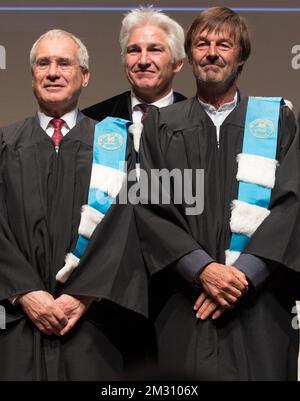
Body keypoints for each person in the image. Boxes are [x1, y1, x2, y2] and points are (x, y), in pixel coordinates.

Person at [133, 7, 300, 380]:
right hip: (185, 300)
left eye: (224, 44)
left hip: (261, 301)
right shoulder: (162, 125)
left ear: (240, 56)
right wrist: (202, 270)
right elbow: (151, 209)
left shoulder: (274, 121)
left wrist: (243, 276)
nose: (212, 52)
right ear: (189, 56)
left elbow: (292, 204)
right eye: (202, 44)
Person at [0, 29, 145, 380]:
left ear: (84, 76)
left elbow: (126, 227)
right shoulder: (5, 143)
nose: (53, 72)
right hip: (18, 322)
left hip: (92, 325)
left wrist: (82, 295)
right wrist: (24, 291)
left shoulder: (115, 144)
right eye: (43, 63)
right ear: (32, 74)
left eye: (64, 63)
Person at [82, 7, 186, 125]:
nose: (143, 61)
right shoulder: (93, 120)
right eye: (134, 50)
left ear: (177, 63)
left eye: (154, 50)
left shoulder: (199, 120)